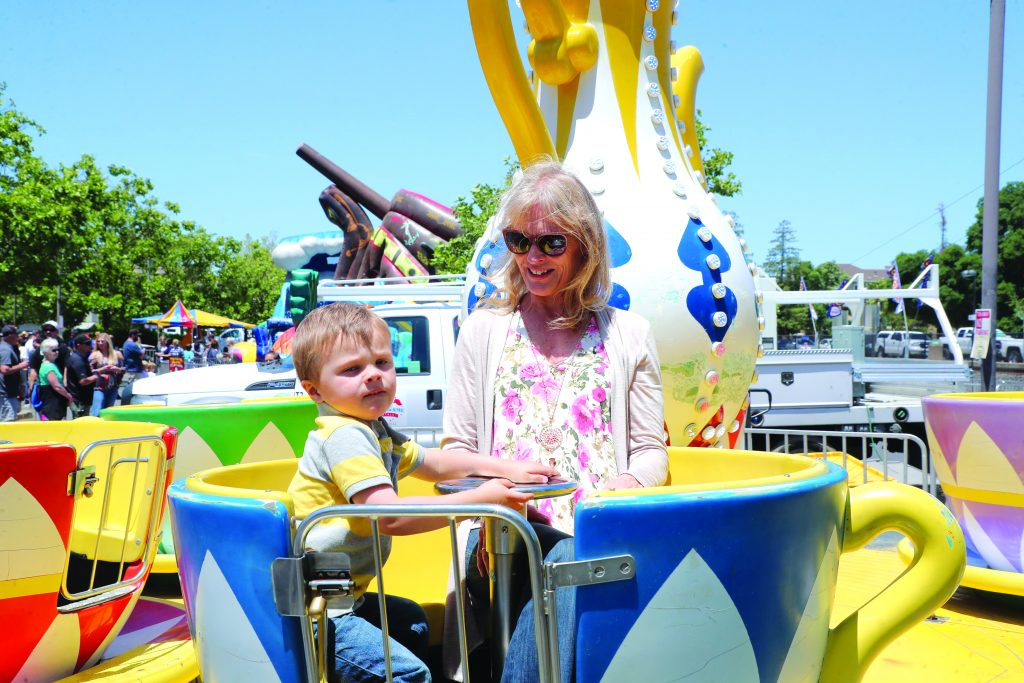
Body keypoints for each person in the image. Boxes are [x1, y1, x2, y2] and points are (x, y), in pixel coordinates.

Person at [441, 161, 668, 682]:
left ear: (584, 244)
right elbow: (454, 449)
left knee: (570, 553)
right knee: (560, 555)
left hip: (596, 534)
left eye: (550, 244)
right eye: (518, 241)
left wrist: (625, 485)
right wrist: (500, 482)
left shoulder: (630, 334)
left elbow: (651, 450)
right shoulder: (482, 331)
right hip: (500, 534)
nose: (531, 258)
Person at [287, 302, 559, 683]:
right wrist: (483, 500)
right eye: (352, 369)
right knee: (407, 674)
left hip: (347, 598)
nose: (373, 376)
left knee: (411, 623)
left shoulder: (373, 429)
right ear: (314, 389)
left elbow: (433, 461)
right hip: (319, 611)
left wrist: (506, 468)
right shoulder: (345, 436)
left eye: (382, 363)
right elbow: (390, 516)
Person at [36, 338, 73, 420]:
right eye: (54, 350)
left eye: (57, 350)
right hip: (52, 404)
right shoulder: (48, 367)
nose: (57, 352)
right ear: (45, 352)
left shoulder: (52, 365)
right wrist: (68, 396)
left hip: (56, 404)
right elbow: (57, 386)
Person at [88, 332, 125, 415]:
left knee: (108, 411)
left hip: (113, 386)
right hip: (99, 386)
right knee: (97, 411)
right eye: (98, 341)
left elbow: (124, 369)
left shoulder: (117, 354)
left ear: (108, 342)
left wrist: (117, 369)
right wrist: (102, 369)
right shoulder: (94, 355)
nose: (100, 343)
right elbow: (89, 371)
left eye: (102, 341)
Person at [65, 333, 99, 418]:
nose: (90, 346)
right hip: (80, 400)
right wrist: (97, 376)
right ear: (78, 345)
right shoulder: (77, 360)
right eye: (87, 344)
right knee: (80, 425)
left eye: (90, 343)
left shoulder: (80, 357)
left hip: (81, 399)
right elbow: (83, 381)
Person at [0, 325, 27, 422]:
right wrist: (22, 365)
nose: (18, 337)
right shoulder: (5, 350)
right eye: (16, 335)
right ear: (10, 335)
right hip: (5, 394)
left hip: (10, 392)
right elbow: (4, 369)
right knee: (8, 422)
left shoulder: (9, 348)